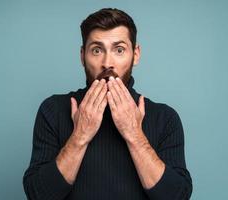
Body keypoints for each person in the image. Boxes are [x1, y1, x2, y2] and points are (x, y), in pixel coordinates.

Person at [23, 8, 192, 200]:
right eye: (97, 50)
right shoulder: (53, 110)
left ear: (135, 55)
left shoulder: (165, 118)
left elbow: (178, 196)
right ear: (82, 56)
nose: (107, 63)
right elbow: (38, 195)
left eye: (119, 50)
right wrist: (80, 135)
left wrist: (134, 135)